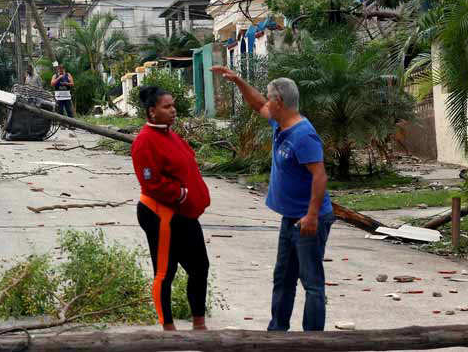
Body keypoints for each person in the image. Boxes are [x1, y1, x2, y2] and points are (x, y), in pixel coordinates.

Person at [211, 67, 333, 332]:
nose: (266, 102)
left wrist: (312, 216)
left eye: (270, 97)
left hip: (309, 220)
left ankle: (313, 342)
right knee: (283, 278)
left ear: (279, 102)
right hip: (290, 218)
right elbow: (256, 104)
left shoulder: (304, 135)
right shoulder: (280, 122)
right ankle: (277, 334)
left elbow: (320, 176)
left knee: (311, 283)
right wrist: (238, 81)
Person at [131, 86, 211, 332]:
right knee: (165, 271)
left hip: (184, 214)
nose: (173, 110)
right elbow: (150, 181)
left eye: (173, 105)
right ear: (152, 112)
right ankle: (168, 329)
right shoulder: (145, 141)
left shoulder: (170, 134)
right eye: (167, 107)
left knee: (200, 266)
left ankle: (199, 325)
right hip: (161, 214)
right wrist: (181, 193)